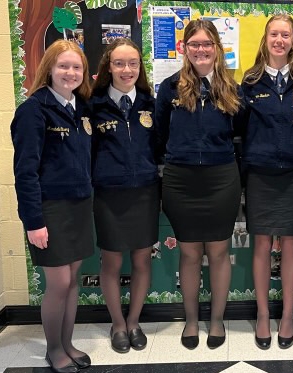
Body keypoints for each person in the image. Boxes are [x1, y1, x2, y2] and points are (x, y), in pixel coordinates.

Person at [155, 19, 242, 350]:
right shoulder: (169, 88)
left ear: (217, 48)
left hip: (221, 178)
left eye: (207, 44)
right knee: (190, 253)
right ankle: (191, 320)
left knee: (219, 251)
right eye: (194, 44)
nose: (201, 50)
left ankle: (217, 319)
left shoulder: (231, 88)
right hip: (181, 180)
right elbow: (160, 133)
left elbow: (241, 132)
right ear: (184, 48)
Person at [11, 39, 93, 372]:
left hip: (79, 206)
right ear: (49, 68)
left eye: (76, 67)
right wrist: (33, 221)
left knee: (73, 280)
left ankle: (68, 342)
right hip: (50, 210)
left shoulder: (81, 108)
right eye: (63, 66)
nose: (70, 73)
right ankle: (54, 349)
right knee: (58, 284)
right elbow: (25, 171)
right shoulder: (33, 110)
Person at [241, 14, 293, 350]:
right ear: (266, 39)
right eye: (274, 34)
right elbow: (240, 126)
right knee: (260, 244)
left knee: (289, 243)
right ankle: (261, 313)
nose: (280, 40)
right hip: (260, 173)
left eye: (286, 34)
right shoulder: (251, 80)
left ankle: (287, 314)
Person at [90, 38, 159, 353]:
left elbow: (160, 147)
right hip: (109, 195)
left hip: (144, 192)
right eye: (119, 63)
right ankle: (117, 324)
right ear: (109, 67)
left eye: (133, 63)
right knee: (112, 262)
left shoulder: (150, 103)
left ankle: (134, 321)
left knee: (142, 260)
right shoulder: (94, 104)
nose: (127, 69)